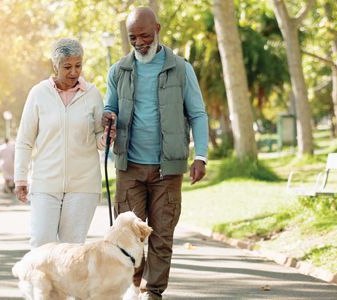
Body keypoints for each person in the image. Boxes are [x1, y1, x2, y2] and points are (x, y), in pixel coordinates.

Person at [103, 7, 209, 300]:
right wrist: (108, 117)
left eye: (145, 35)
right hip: (129, 166)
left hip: (167, 169)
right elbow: (109, 106)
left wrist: (201, 156)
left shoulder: (180, 68)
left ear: (158, 29)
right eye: (132, 37)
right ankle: (133, 289)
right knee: (127, 237)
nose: (139, 42)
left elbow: (198, 115)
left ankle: (154, 293)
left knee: (162, 235)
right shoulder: (118, 70)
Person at [14, 38, 115, 249]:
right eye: (67, 66)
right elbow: (24, 140)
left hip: (83, 185)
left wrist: (107, 135)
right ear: (55, 65)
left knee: (71, 250)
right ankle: (40, 284)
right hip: (45, 183)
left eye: (78, 66)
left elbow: (98, 139)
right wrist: (20, 178)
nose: (74, 72)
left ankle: (66, 284)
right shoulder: (39, 93)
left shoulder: (92, 94)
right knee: (41, 244)